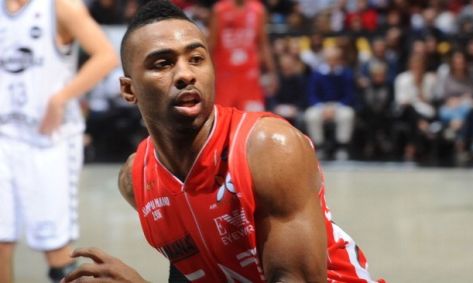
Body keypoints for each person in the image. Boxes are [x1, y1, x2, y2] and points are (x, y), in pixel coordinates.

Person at [62, 1, 384, 282]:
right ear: (128, 90)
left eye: (197, 59)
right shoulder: (136, 180)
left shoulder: (270, 147)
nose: (186, 74)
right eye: (163, 63)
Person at [0, 0, 118, 282]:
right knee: (1, 243)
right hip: (4, 137)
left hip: (50, 142)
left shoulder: (61, 6)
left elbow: (106, 55)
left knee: (55, 248)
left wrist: (60, 99)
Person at [208, 0, 278, 112]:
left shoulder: (258, 10)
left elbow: (263, 43)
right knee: (224, 119)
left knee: (252, 120)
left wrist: (272, 72)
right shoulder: (219, 9)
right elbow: (211, 44)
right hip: (224, 77)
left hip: (250, 78)